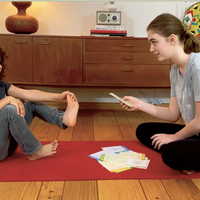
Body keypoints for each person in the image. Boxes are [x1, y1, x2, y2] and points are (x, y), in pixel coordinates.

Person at [120, 13, 200, 175]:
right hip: (195, 132)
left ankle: (187, 154)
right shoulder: (174, 70)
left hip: (197, 128)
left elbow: (199, 122)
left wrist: (174, 137)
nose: (151, 49)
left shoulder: (197, 67)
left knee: (172, 154)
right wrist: (139, 104)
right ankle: (189, 153)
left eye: (154, 42)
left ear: (172, 39)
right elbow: (173, 114)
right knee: (144, 130)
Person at [0, 47, 79, 162]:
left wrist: (57, 97)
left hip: (7, 147)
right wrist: (8, 100)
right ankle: (34, 151)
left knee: (31, 105)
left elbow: (27, 94)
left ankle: (64, 118)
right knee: (10, 110)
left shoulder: (2, 85)